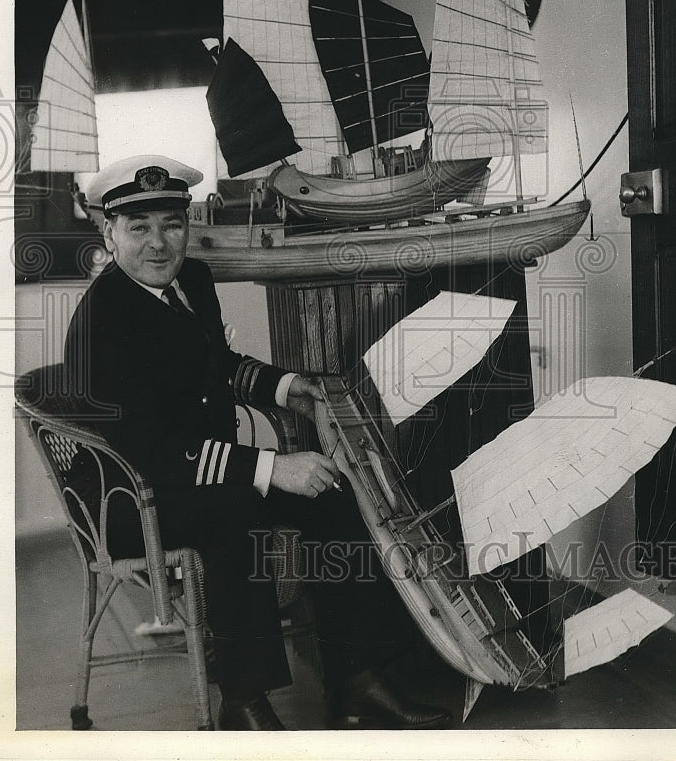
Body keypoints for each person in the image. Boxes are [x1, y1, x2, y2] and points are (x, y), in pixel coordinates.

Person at [64, 155, 451, 731]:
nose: (158, 244)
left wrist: (289, 387)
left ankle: (358, 678)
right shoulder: (103, 319)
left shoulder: (189, 280)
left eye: (171, 224)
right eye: (138, 228)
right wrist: (271, 467)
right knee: (236, 513)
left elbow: (213, 365)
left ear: (188, 224)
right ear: (108, 232)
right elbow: (148, 449)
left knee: (336, 495)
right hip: (128, 497)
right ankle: (243, 700)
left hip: (196, 472)